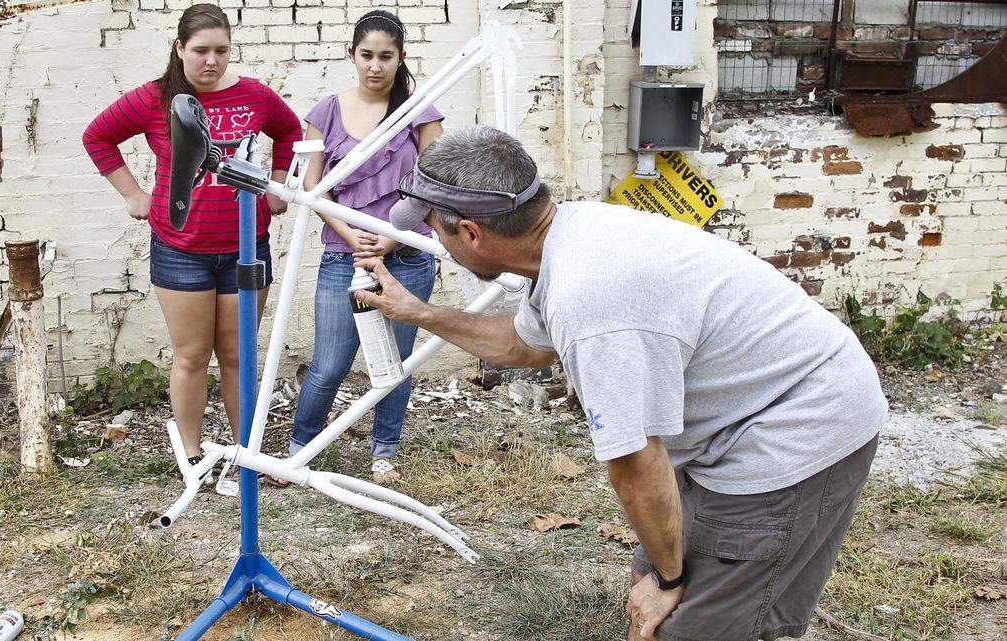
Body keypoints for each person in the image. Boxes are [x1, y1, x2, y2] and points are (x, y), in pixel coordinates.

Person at [354, 125, 889, 641]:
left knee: (683, 624)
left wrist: (672, 579)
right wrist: (420, 313)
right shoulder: (570, 233)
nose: (432, 239)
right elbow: (527, 344)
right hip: (742, 415)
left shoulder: (593, 297)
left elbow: (635, 459)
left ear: (471, 233)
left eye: (433, 227)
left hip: (800, 420)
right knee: (647, 586)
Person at [83, 3, 302, 468]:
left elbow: (288, 131)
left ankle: (248, 451)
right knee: (191, 355)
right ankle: (192, 451)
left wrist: (278, 185)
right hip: (180, 249)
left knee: (238, 354)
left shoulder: (255, 97)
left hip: (246, 244)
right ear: (179, 48)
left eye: (222, 50)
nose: (212, 61)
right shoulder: (153, 99)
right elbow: (97, 137)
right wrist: (134, 195)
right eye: (200, 50)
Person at [283, 10, 443, 486]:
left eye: (386, 57)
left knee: (394, 360)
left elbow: (434, 187)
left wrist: (393, 236)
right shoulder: (324, 113)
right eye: (367, 55)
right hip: (342, 254)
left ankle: (385, 450)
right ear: (351, 55)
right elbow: (314, 188)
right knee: (330, 361)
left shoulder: (420, 112)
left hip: (408, 254)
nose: (375, 66)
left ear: (401, 59)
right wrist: (351, 233)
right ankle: (300, 446)